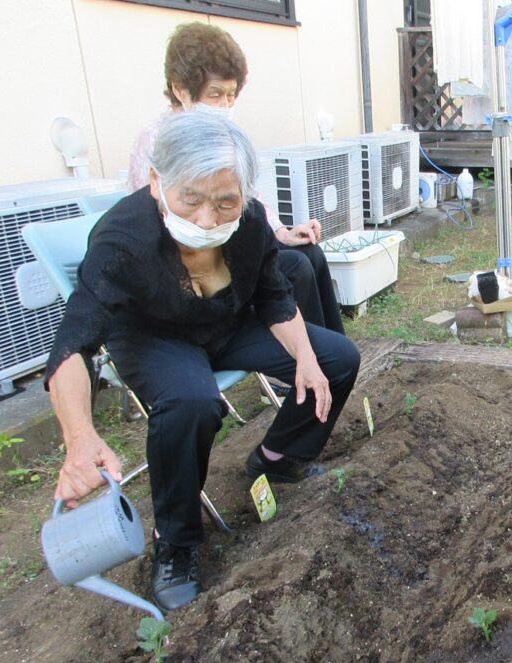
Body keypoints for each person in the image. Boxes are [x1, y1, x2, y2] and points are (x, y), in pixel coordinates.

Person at [48, 111, 360, 611]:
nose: (208, 219)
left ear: (243, 193)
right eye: (190, 199)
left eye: (225, 201)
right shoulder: (121, 240)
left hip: (224, 323)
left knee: (337, 358)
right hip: (155, 339)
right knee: (192, 402)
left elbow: (274, 299)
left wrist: (304, 355)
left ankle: (276, 458)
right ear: (156, 183)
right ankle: (176, 543)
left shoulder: (251, 222)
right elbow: (72, 346)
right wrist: (80, 437)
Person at [128, 22, 346, 335]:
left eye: (231, 95)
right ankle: (299, 368)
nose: (225, 105)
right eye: (215, 94)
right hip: (194, 260)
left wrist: (281, 232)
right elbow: (153, 224)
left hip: (231, 244)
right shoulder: (157, 141)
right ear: (180, 89)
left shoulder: (221, 134)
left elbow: (247, 198)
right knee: (295, 268)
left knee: (309, 253)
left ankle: (330, 362)